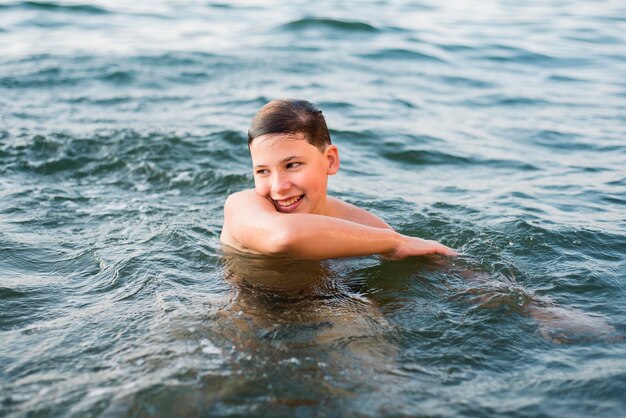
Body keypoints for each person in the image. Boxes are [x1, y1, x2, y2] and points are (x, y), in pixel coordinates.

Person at [220, 98, 457, 260]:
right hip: (247, 313)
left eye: (292, 165)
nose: (278, 186)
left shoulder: (356, 221)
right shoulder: (242, 206)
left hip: (326, 303)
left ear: (330, 160)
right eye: (262, 171)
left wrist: (477, 287)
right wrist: (395, 242)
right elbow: (284, 237)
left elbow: (419, 252)